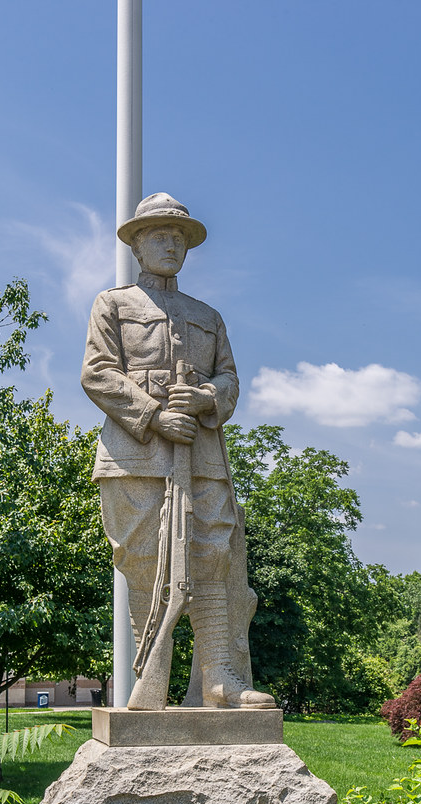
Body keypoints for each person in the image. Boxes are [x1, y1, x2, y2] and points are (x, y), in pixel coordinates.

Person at [81, 193, 275, 711]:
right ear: (137, 244)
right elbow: (98, 373)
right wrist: (152, 413)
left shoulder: (207, 316)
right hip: (135, 455)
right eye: (159, 235)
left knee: (212, 557)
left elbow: (228, 377)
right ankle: (150, 683)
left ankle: (220, 682)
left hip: (203, 455)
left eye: (178, 237)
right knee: (143, 560)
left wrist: (208, 396)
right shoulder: (113, 305)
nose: (170, 244)